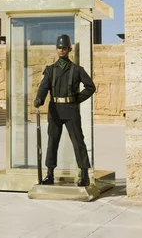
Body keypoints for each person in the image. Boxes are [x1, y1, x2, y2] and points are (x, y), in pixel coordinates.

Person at [34, 34, 96, 187]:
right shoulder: (50, 70)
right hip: (55, 110)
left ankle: (85, 174)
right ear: (56, 49)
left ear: (69, 49)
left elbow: (90, 87)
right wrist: (39, 99)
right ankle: (50, 174)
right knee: (52, 142)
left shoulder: (77, 70)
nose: (62, 50)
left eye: (64, 48)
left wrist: (76, 99)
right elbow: (43, 87)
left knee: (78, 141)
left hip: (70, 110)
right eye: (59, 48)